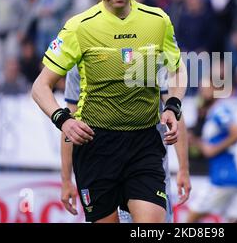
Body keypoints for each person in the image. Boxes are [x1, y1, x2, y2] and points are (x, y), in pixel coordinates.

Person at [31, 0, 187, 223]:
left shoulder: (158, 21)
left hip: (144, 144)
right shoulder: (78, 27)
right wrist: (63, 120)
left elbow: (178, 69)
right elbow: (40, 87)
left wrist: (173, 105)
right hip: (96, 146)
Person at [60, 66, 192, 222]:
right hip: (101, 169)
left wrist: (183, 168)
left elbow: (174, 112)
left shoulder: (153, 49)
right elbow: (71, 122)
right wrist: (66, 179)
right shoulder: (78, 60)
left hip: (147, 165)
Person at [186, 80, 237, 223]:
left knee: (190, 218)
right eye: (201, 88)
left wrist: (214, 149)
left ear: (216, 89)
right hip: (231, 176)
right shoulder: (211, 113)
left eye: (206, 87)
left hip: (222, 178)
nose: (203, 91)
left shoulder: (219, 110)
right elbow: (210, 144)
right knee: (234, 220)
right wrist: (196, 142)